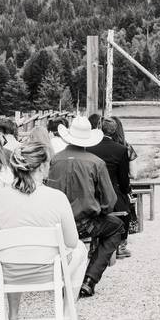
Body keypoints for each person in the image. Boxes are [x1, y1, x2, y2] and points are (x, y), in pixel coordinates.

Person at [0, 141, 84, 320]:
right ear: (41, 167)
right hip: (47, 270)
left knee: (12, 251)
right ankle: (65, 316)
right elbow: (71, 242)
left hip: (9, 271)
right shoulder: (57, 197)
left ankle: (14, 316)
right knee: (80, 248)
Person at [48, 116, 125, 297]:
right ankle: (89, 279)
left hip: (56, 224)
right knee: (116, 228)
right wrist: (102, 209)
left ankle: (64, 276)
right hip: (85, 223)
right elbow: (109, 201)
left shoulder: (55, 160)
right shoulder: (96, 162)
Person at [89, 117, 136, 256]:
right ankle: (121, 245)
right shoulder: (121, 150)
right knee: (126, 210)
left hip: (93, 192)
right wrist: (125, 191)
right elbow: (123, 178)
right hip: (113, 191)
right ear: (114, 130)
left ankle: (94, 245)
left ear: (99, 129)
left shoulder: (90, 147)